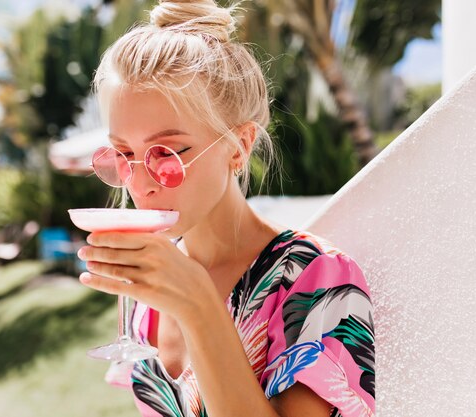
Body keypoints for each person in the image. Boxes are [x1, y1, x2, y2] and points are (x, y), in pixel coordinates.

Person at [77, 1, 375, 416]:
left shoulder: (315, 279)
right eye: (124, 153)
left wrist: (199, 306)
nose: (140, 183)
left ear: (239, 147)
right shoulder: (150, 292)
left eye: (166, 153)